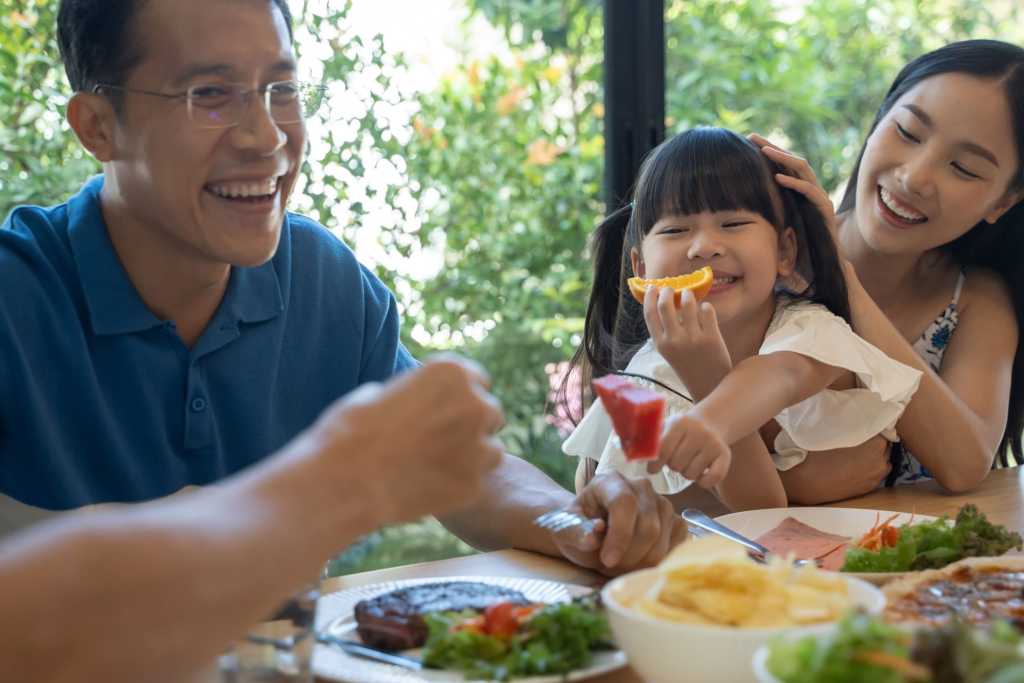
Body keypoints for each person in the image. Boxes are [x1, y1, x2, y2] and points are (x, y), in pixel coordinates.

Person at [0, 0, 684, 575]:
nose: (267, 135)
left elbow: (456, 469)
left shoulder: (321, 279)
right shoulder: (17, 294)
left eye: (282, 89)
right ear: (97, 126)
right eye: (210, 94)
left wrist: (572, 519)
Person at [1, 355, 507, 683]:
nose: (265, 178)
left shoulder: (328, 275)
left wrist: (572, 521)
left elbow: (473, 465)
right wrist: (339, 482)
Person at [561, 127, 921, 512]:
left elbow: (781, 375)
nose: (704, 247)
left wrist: (710, 417)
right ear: (642, 269)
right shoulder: (646, 376)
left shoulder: (808, 330)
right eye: (676, 230)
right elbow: (601, 487)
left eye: (732, 224)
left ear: (785, 251)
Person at [752, 39, 1024, 500]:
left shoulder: (976, 300)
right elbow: (619, 467)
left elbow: (964, 465)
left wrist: (843, 284)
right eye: (909, 132)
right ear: (879, 119)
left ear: (1002, 202)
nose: (915, 177)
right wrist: (787, 486)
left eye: (963, 167)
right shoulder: (760, 257)